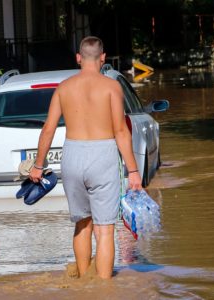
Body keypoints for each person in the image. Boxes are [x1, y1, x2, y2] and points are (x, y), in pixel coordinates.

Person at [29, 36, 142, 279]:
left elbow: (48, 128)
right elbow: (121, 131)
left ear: (78, 58)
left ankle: (83, 284)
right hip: (103, 155)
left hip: (72, 155)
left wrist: (38, 166)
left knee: (82, 224)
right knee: (104, 230)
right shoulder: (112, 87)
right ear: (103, 58)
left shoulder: (64, 87)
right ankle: (103, 289)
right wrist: (133, 171)